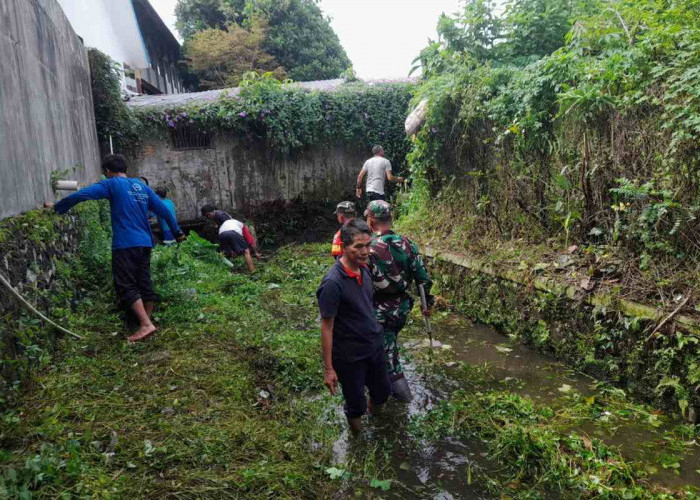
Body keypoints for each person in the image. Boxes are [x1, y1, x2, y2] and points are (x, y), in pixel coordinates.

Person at [53, 154, 184, 342]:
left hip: (125, 243)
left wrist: (58, 207)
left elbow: (82, 194)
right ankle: (145, 322)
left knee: (125, 284)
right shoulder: (142, 187)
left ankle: (146, 324)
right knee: (144, 281)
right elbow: (163, 210)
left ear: (107, 171)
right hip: (145, 243)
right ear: (126, 169)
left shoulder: (111, 184)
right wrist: (177, 232)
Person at [317, 219, 391, 434]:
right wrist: (329, 369)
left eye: (368, 245)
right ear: (343, 247)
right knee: (356, 404)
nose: (365, 251)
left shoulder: (364, 270)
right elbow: (327, 327)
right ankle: (358, 441)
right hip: (350, 356)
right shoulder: (332, 284)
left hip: (374, 346)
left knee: (382, 393)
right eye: (358, 247)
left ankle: (378, 430)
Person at [365, 200, 433, 402]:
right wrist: (426, 303)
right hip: (401, 309)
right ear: (390, 218)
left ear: (371, 220)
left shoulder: (370, 249)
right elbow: (423, 279)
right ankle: (380, 390)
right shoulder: (407, 243)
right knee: (389, 347)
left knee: (388, 358)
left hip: (380, 312)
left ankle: (404, 400)